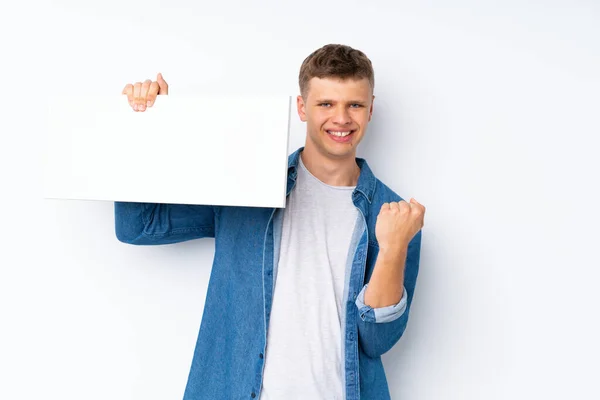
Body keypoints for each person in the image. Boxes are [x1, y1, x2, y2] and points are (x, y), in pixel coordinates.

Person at [117, 43, 425, 400]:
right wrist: (148, 127)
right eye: (326, 103)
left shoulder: (394, 216)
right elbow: (139, 225)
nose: (341, 118)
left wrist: (393, 247)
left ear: (370, 110)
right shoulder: (247, 187)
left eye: (354, 105)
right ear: (302, 107)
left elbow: (377, 341)